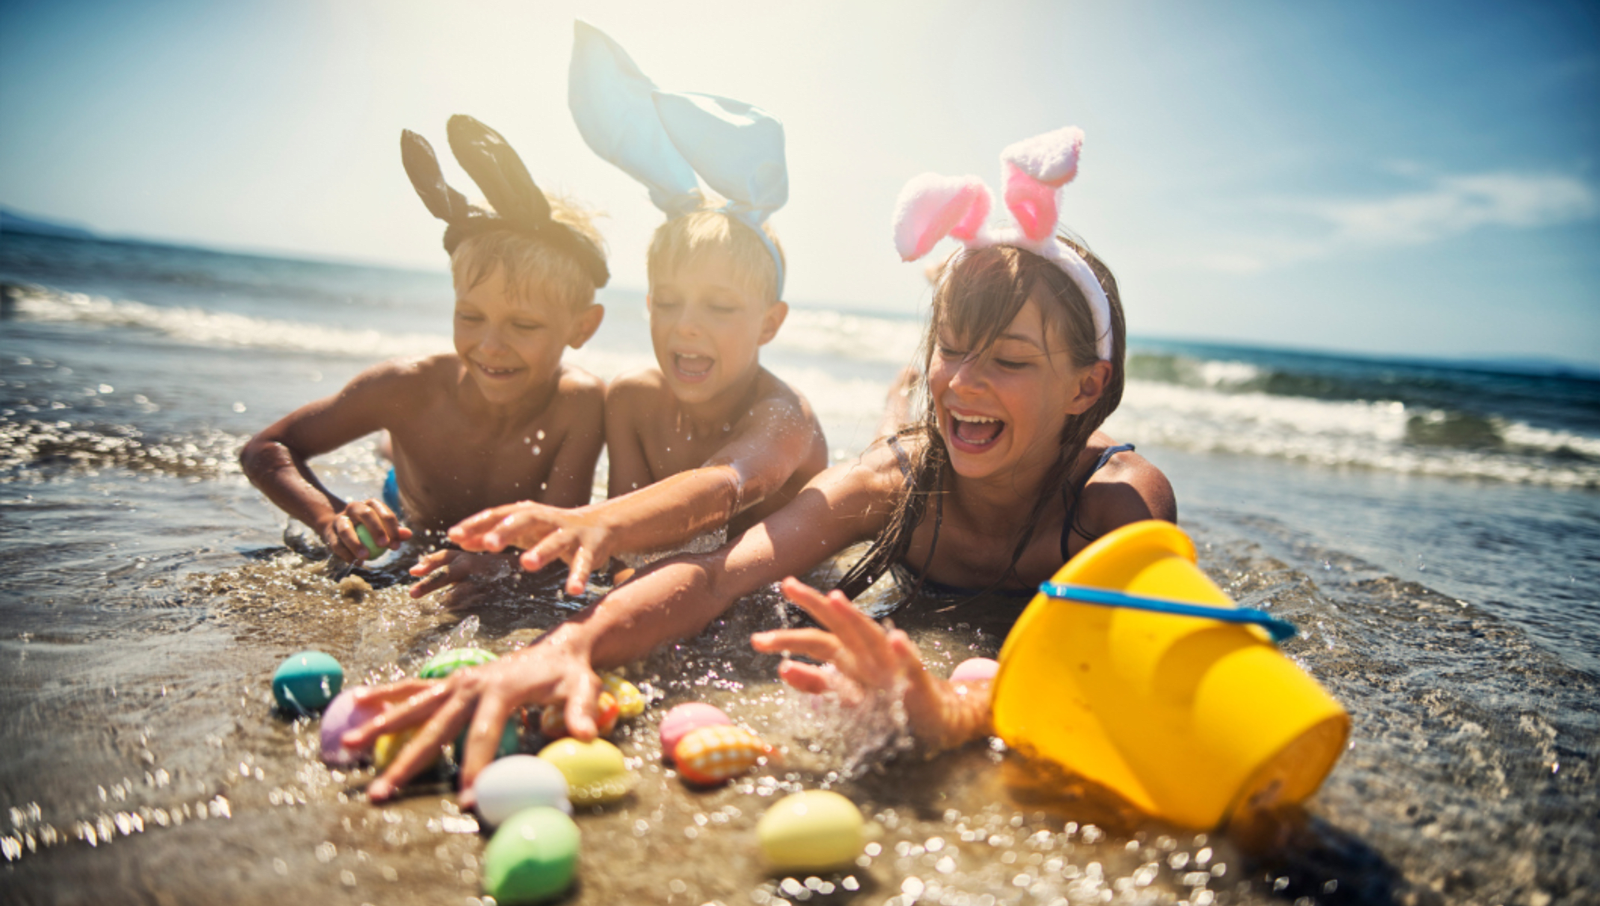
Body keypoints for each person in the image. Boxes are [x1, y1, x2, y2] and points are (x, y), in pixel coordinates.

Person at [344, 125, 1176, 805]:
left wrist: (962, 708)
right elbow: (717, 573)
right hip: (912, 463)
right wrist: (572, 644)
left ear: (1087, 386)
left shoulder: (1116, 504)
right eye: (951, 348)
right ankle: (909, 394)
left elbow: (1123, 668)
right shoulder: (893, 480)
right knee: (912, 428)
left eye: (1012, 361)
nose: (964, 380)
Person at [436, 22, 827, 597]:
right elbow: (630, 558)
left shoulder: (783, 416)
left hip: (776, 604)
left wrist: (594, 522)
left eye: (720, 306)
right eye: (667, 302)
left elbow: (728, 483)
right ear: (647, 305)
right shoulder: (633, 402)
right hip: (681, 595)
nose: (686, 323)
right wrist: (516, 570)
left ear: (770, 323)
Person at [240, 116, 608, 584]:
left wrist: (502, 565)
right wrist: (329, 517)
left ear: (582, 327)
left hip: (481, 520)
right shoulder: (406, 386)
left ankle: (394, 446)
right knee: (397, 463)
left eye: (524, 324)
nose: (491, 345)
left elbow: (555, 537)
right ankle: (393, 448)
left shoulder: (579, 403)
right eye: (471, 317)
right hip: (408, 505)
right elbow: (265, 449)